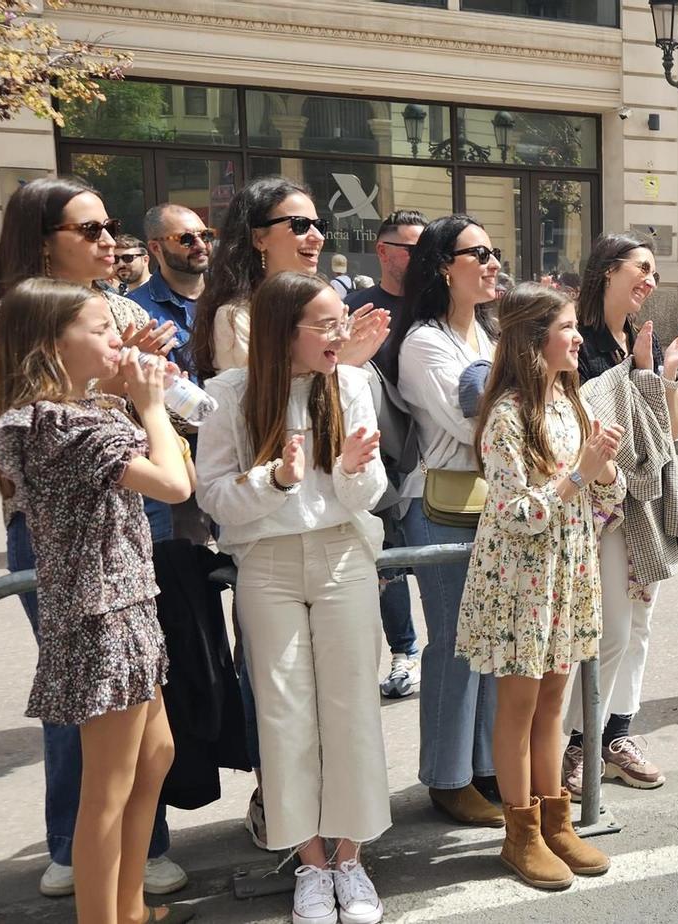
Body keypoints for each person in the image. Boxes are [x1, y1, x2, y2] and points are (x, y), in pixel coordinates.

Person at [0, 175, 188, 896]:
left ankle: (126, 901)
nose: (116, 338)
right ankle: (105, 904)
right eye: (100, 332)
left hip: (126, 595)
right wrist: (149, 403)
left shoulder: (80, 408)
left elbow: (172, 456)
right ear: (52, 344)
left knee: (153, 753)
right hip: (99, 607)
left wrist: (139, 397)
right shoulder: (63, 420)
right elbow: (174, 482)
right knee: (109, 779)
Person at [195, 272, 391, 924]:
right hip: (267, 565)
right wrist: (275, 479)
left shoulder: (356, 385)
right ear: (286, 330)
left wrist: (358, 473)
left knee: (352, 708)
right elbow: (214, 497)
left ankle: (352, 858)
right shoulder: (228, 394)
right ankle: (310, 861)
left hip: (343, 555)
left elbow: (369, 496)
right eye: (327, 324)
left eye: (342, 322)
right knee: (283, 716)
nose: (342, 335)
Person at [461, 283, 624, 890]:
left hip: (567, 568)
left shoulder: (569, 399)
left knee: (555, 703)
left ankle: (557, 823)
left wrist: (601, 470)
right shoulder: (506, 414)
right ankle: (520, 834)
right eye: (567, 327)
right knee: (521, 705)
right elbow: (515, 514)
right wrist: (577, 475)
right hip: (521, 579)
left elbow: (605, 499)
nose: (579, 337)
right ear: (535, 340)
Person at [553, 233, 678, 795]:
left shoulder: (629, 341)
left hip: (642, 504)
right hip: (598, 507)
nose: (651, 281)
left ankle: (616, 734)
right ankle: (573, 743)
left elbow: (671, 433)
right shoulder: (578, 341)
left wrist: (663, 374)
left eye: (656, 272)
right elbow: (574, 425)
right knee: (610, 632)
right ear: (608, 270)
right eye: (642, 268)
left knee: (638, 627)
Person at [379, 214, 506, 826]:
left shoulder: (487, 335)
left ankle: (484, 767)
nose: (490, 262)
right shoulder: (424, 341)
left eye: (492, 251)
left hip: (492, 501)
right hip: (440, 504)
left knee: (490, 642)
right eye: (475, 253)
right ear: (440, 266)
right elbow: (471, 426)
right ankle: (447, 777)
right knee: (456, 644)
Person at [346, 209, 429, 699]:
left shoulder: (433, 306)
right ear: (383, 251)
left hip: (434, 452)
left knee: (435, 556)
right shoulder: (356, 307)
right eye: (411, 249)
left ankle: (447, 650)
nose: (421, 259)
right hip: (378, 455)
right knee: (388, 560)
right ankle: (404, 651)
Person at [193, 176, 327, 380]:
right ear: (258, 238)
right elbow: (257, 402)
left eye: (320, 225)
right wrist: (342, 361)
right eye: (301, 225)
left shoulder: (324, 304)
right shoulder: (235, 318)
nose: (318, 236)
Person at [128, 204, 212, 382]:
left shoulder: (232, 296)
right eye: (186, 239)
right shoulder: (134, 310)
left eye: (205, 235)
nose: (200, 245)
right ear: (156, 247)